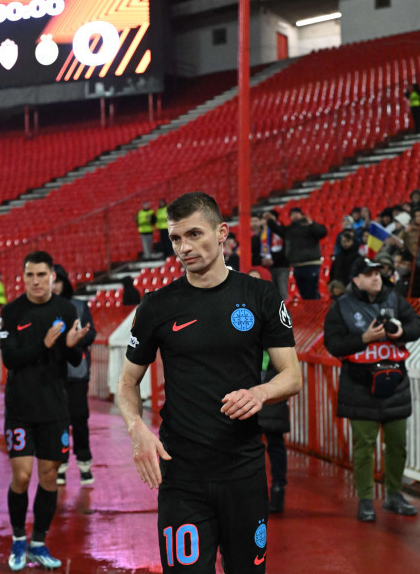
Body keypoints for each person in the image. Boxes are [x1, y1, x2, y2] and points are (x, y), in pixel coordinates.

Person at [118, 191, 302, 573]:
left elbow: (292, 375)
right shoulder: (157, 305)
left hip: (244, 474)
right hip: (182, 477)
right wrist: (136, 428)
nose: (184, 247)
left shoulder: (260, 295)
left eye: (195, 235)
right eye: (176, 239)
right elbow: (128, 383)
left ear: (222, 233)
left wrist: (260, 392)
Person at [0, 251, 91, 571]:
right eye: (29, 275)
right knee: (22, 476)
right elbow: (9, 358)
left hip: (55, 408)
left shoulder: (66, 309)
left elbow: (75, 361)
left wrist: (73, 345)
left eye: (41, 275)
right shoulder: (11, 311)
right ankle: (17, 539)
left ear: (53, 276)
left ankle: (38, 541)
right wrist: (47, 343)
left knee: (49, 477)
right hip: (20, 408)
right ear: (23, 278)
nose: (35, 281)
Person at [323, 257, 420, 522]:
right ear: (356, 279)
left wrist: (400, 331)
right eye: (369, 274)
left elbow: (417, 326)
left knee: (397, 444)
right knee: (364, 446)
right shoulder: (341, 307)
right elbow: (333, 344)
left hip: (395, 384)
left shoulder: (395, 299)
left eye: (378, 273)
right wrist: (363, 339)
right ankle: (366, 500)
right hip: (359, 386)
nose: (376, 278)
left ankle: (394, 495)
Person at [247, 266, 291, 514]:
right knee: (248, 446)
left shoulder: (276, 313)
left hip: (271, 389)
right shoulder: (236, 314)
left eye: (258, 282)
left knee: (275, 444)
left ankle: (278, 489)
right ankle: (255, 493)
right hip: (247, 390)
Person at [52, 264, 98, 486]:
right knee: (57, 420)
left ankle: (84, 463)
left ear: (64, 282)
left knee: (79, 418)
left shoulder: (79, 306)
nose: (54, 285)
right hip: (53, 373)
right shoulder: (43, 308)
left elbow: (92, 333)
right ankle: (60, 464)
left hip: (77, 372)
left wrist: (75, 339)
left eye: (57, 280)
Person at [272, 207, 327, 300]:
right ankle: (309, 313)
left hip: (311, 264)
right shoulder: (290, 230)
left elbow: (323, 233)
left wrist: (311, 224)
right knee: (303, 292)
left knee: (311, 292)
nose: (294, 216)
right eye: (292, 214)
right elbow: (278, 230)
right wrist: (270, 220)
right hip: (297, 265)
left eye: (296, 213)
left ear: (301, 215)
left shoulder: (309, 225)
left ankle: (316, 312)